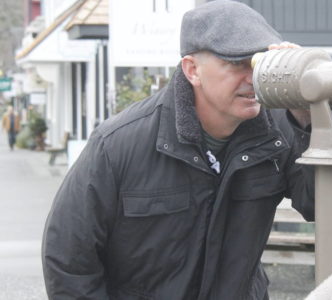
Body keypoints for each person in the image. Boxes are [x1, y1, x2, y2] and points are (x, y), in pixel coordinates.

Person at [42, 1, 317, 299]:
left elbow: (319, 204)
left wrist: (309, 115)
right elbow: (68, 260)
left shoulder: (282, 132)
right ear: (192, 70)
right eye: (237, 63)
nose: (252, 78)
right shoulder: (118, 144)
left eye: (260, 63)